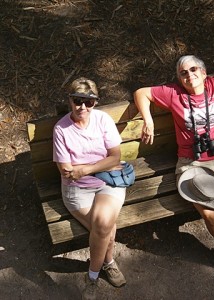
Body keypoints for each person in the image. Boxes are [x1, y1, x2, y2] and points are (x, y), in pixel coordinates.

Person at [133, 55, 214, 282]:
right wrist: (148, 120)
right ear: (179, 79)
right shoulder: (173, 94)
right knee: (211, 216)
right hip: (193, 163)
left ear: (203, 71)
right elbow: (141, 93)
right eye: (183, 73)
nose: (189, 75)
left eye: (193, 69)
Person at [53, 77, 127, 300]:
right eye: (77, 101)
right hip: (77, 191)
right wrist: (97, 165)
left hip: (107, 182)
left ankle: (92, 277)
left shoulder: (103, 120)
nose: (82, 107)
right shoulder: (61, 129)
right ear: (70, 101)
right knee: (107, 231)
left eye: (89, 102)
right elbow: (66, 171)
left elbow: (116, 157)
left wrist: (85, 169)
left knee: (103, 225)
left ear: (96, 103)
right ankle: (109, 262)